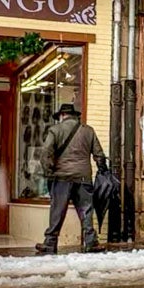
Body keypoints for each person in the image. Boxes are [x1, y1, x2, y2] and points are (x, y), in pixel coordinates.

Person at [37, 102, 106, 254]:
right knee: (86, 210)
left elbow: (45, 153)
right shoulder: (88, 131)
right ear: (75, 116)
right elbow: (99, 154)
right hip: (83, 177)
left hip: (62, 177)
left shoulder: (55, 130)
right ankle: (90, 242)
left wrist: (48, 172)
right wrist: (102, 170)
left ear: (62, 116)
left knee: (57, 211)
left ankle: (50, 242)